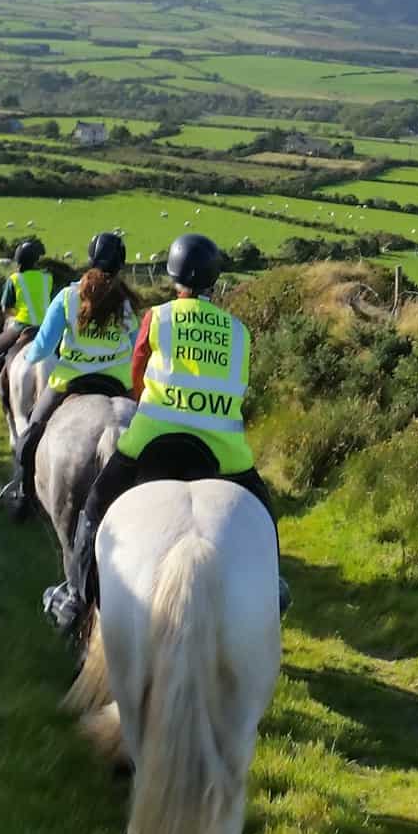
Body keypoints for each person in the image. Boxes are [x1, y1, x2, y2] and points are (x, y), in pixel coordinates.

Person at [42, 232, 288, 632]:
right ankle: (274, 587)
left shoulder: (156, 317)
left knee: (93, 507)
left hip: (153, 439)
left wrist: (156, 402)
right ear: (213, 281)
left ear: (174, 278)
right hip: (222, 449)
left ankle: (74, 596)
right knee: (264, 513)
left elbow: (137, 374)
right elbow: (238, 384)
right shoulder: (239, 332)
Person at [0, 231, 136, 519]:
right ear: (121, 264)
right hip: (119, 384)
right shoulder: (127, 302)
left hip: (70, 381)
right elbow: (134, 348)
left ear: (90, 259)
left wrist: (30, 358)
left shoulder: (69, 296)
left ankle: (22, 496)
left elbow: (44, 345)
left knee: (30, 437)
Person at [0, 238, 54, 404]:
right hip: (46, 328)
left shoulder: (15, 279)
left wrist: (17, 314)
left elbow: (6, 308)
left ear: (18, 261)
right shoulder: (47, 278)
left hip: (22, 325)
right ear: (36, 260)